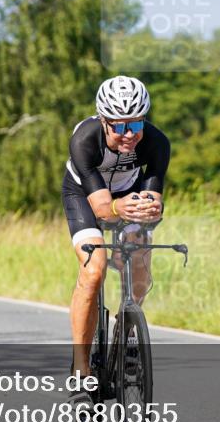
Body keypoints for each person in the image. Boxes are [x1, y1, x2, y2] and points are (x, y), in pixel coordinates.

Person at [63, 75, 170, 382]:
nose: (128, 134)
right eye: (120, 126)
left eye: (135, 125)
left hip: (128, 193)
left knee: (140, 257)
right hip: (83, 196)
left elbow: (153, 197)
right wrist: (115, 209)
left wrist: (151, 208)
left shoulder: (156, 142)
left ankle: (128, 333)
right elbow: (101, 209)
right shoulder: (84, 140)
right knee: (94, 269)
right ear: (103, 120)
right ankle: (82, 368)